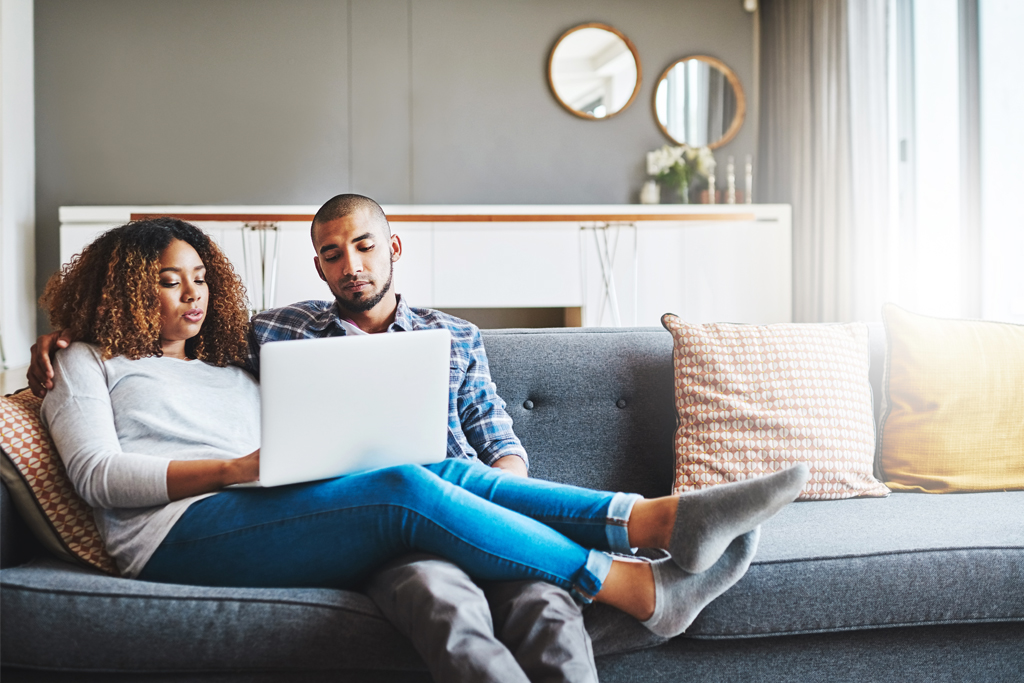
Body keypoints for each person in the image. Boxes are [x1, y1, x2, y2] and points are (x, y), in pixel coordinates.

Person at [35, 217, 810, 652]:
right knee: (403, 487)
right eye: (170, 281)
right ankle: (632, 582)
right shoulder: (85, 357)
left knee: (429, 461)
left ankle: (656, 518)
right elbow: (98, 474)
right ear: (126, 286)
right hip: (173, 533)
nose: (192, 295)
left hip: (261, 501)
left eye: (201, 278)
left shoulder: (233, 351)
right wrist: (231, 468)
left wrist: (271, 465)